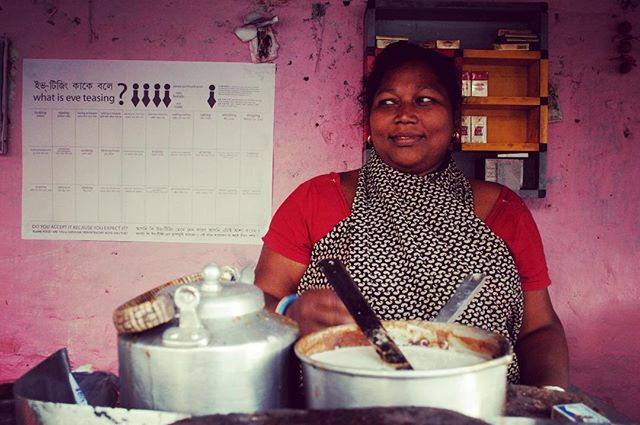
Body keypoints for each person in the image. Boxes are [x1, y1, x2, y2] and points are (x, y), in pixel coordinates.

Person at [254, 41, 569, 388]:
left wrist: (548, 400)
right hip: (342, 404)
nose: (404, 113)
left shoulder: (504, 212)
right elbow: (257, 306)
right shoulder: (316, 200)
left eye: (425, 100)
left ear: (455, 119)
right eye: (387, 102)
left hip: (477, 405)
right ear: (369, 122)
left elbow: (539, 329)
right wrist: (289, 312)